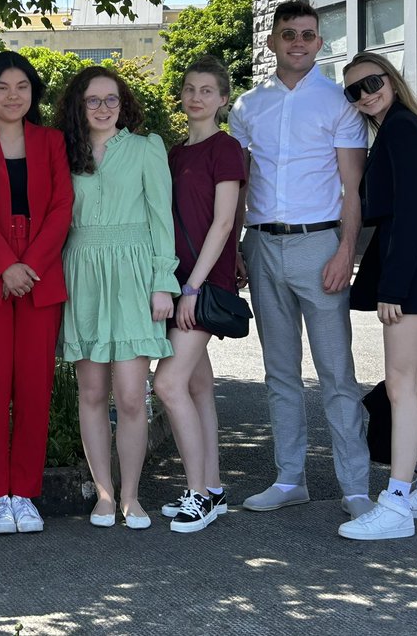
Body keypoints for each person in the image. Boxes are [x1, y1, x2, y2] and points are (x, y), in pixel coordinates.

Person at [228, 0, 372, 519]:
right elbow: (239, 185)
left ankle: (355, 487)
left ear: (319, 42)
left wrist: (345, 251)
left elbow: (352, 190)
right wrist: (236, 249)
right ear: (272, 40)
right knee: (280, 372)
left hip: (320, 246)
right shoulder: (246, 106)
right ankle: (290, 478)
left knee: (337, 373)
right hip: (261, 244)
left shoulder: (338, 103)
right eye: (289, 34)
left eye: (308, 35)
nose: (298, 43)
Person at [56, 66, 179, 530]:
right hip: (83, 271)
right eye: (92, 100)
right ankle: (103, 494)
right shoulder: (65, 152)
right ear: (78, 106)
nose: (103, 108)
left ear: (123, 103)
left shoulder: (147, 148)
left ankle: (131, 495)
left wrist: (162, 282)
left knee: (131, 396)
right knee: (91, 392)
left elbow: (161, 217)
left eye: (111, 99)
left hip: (133, 273)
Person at [337, 52, 417, 540]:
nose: (366, 94)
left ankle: (398, 502)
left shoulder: (402, 129)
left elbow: (407, 213)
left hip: (408, 267)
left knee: (400, 383)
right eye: (354, 91)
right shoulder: (402, 126)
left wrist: (392, 287)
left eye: (372, 82)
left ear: (392, 79)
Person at [0, 51, 72, 535]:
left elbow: (61, 207)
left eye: (23, 87)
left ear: (34, 94)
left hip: (40, 274)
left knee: (33, 388)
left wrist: (30, 265)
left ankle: (25, 493)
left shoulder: (51, 141)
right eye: (3, 87)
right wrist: (5, 264)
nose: (13, 96)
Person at [152, 56, 245, 534]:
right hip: (177, 282)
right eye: (190, 88)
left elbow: (224, 222)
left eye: (207, 90)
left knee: (166, 385)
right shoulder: (173, 153)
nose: (196, 97)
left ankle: (197, 496)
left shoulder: (225, 149)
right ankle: (212, 486)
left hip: (202, 286)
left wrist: (191, 288)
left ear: (223, 99)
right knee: (197, 386)